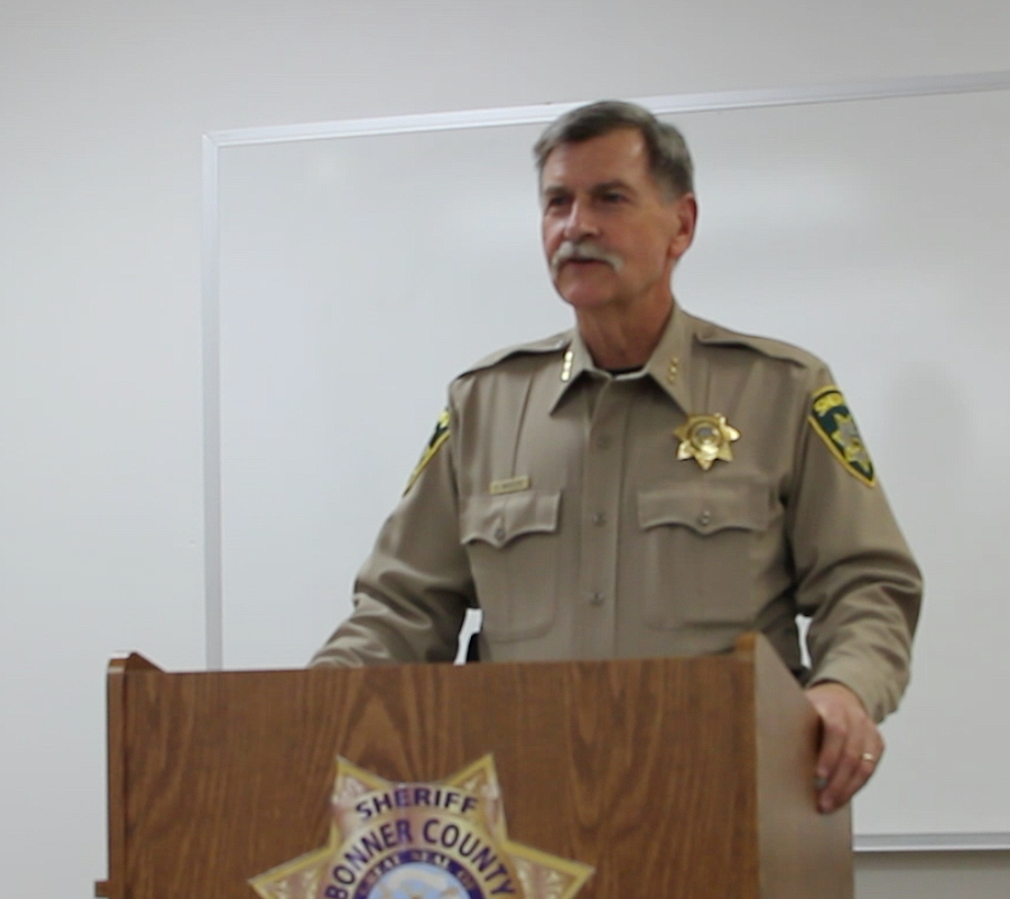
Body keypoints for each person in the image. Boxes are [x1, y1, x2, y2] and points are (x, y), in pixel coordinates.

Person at [311, 100, 922, 815]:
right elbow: (401, 607)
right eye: (557, 203)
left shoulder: (779, 391)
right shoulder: (486, 404)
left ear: (682, 225)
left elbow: (868, 585)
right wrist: (304, 708)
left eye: (609, 199)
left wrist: (845, 689)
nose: (578, 227)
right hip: (522, 816)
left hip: (726, 804)